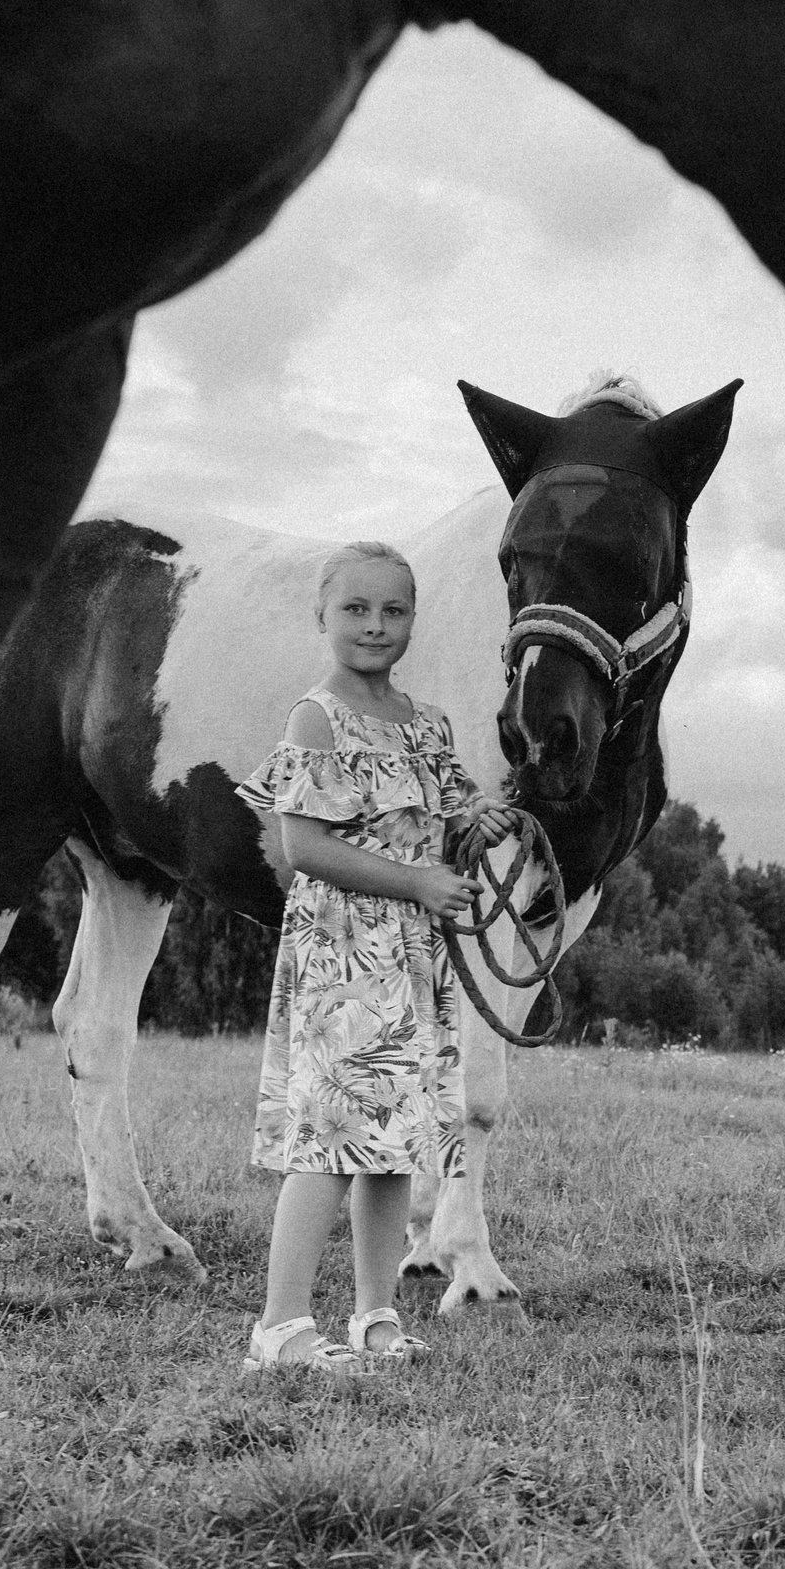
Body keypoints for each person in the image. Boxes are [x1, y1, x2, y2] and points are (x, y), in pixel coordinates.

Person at [236, 539, 520, 1370]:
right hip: (343, 949)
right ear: (322, 615)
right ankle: (281, 1326)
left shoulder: (426, 722)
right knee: (329, 1138)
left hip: (409, 956)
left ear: (413, 620)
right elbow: (303, 846)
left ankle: (375, 1315)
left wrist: (481, 824)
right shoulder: (316, 716)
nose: (375, 625)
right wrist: (418, 881)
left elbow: (449, 826)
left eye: (394, 610)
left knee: (395, 1141)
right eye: (356, 609)